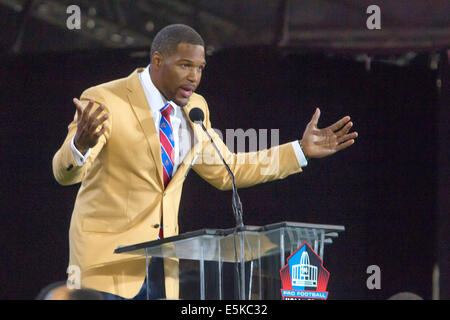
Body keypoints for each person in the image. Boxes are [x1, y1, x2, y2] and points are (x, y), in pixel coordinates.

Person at [52, 24, 358, 300]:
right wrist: (80, 145)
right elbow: (64, 173)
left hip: (162, 270)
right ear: (157, 60)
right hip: (106, 268)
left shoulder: (195, 108)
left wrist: (300, 150)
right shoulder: (106, 98)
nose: (194, 77)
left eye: (200, 68)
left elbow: (228, 170)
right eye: (186, 65)